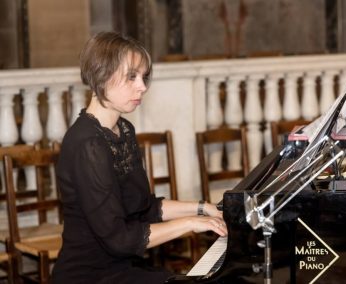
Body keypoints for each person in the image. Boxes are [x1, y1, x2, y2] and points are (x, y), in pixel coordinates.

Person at [51, 32, 227, 284]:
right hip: (89, 275)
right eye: (131, 76)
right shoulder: (87, 144)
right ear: (101, 74)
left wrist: (202, 208)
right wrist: (191, 223)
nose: (142, 87)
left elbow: (145, 208)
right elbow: (120, 239)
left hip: (122, 267)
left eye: (143, 77)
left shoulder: (123, 130)